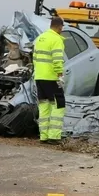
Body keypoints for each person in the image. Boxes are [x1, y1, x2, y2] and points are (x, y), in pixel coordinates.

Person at [32, 16, 66, 144]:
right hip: (51, 78)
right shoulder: (56, 39)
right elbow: (57, 59)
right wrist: (60, 75)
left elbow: (34, 58)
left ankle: (43, 136)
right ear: (59, 27)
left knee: (44, 106)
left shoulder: (40, 38)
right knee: (58, 105)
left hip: (39, 77)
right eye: (62, 27)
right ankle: (54, 136)